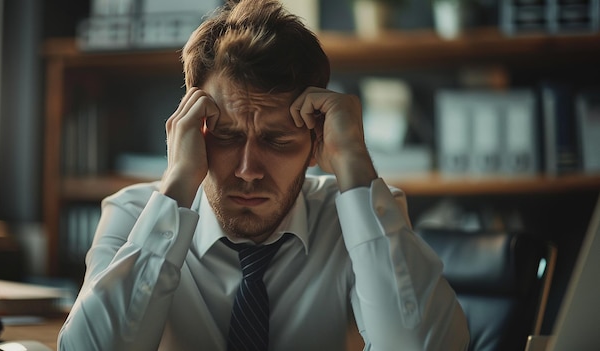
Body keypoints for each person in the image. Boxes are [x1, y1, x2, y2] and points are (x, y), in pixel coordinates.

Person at [57, 0, 469, 350]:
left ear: (315, 144)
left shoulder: (362, 217)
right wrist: (179, 179)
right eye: (226, 136)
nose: (248, 171)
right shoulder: (134, 215)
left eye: (277, 141)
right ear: (192, 132)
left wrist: (355, 163)